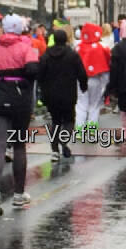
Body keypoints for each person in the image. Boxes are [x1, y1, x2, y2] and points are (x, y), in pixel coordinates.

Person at [0, 14, 39, 215]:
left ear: (4, 29)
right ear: (20, 29)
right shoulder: (26, 48)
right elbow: (33, 70)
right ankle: (18, 194)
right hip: (19, 100)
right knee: (19, 147)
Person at [34, 28, 87, 161]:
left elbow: (40, 74)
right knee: (69, 120)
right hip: (68, 93)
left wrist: (42, 88)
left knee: (55, 121)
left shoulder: (46, 55)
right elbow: (81, 72)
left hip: (51, 94)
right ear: (66, 40)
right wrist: (83, 85)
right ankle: (64, 139)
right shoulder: (72, 55)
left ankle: (55, 150)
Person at [75, 22, 111, 132]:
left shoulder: (78, 47)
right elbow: (106, 68)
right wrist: (105, 86)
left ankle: (79, 130)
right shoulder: (101, 48)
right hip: (96, 80)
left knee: (81, 105)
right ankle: (91, 131)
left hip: (80, 80)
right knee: (94, 106)